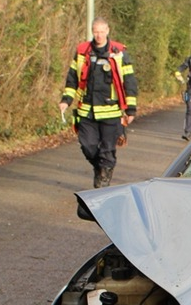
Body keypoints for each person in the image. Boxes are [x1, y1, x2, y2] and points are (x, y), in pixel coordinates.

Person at [59, 17, 138, 188]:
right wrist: (66, 100)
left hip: (111, 111)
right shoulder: (82, 52)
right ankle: (101, 168)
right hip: (87, 110)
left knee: (107, 149)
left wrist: (130, 109)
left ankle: (104, 179)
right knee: (88, 146)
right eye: (96, 32)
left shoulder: (119, 52)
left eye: (102, 31)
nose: (99, 35)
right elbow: (73, 78)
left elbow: (129, 81)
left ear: (108, 31)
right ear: (92, 31)